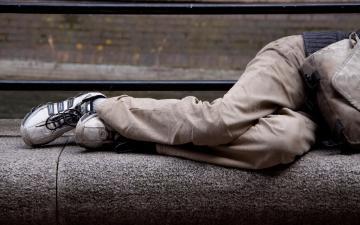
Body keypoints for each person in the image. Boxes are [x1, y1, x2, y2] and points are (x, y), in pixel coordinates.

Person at [20, 31, 350, 170]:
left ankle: (129, 136)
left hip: (321, 120)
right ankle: (97, 106)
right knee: (219, 122)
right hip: (303, 63)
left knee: (279, 146)